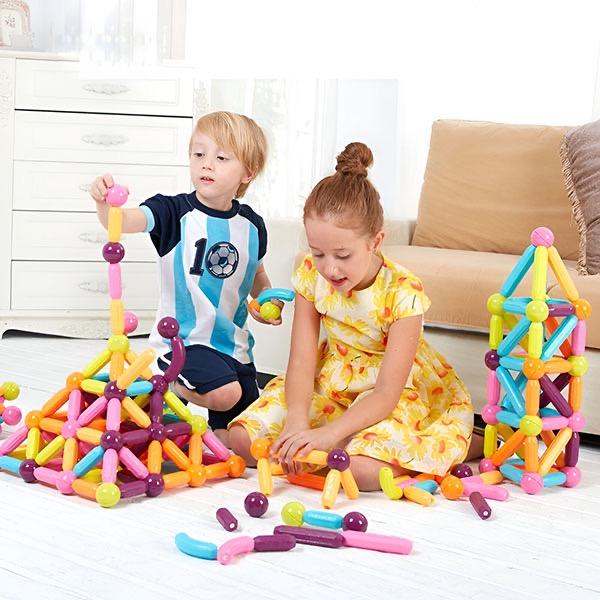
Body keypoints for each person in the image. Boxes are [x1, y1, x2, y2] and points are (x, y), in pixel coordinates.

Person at [230, 141, 482, 491]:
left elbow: (387, 393)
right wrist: (297, 422)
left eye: (343, 255)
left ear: (375, 242)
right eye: (318, 253)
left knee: (358, 472)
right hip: (332, 381)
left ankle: (465, 441)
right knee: (244, 440)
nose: (330, 268)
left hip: (388, 394)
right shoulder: (311, 275)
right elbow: (301, 362)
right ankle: (337, 441)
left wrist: (328, 435)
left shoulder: (403, 292)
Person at [90, 111, 282, 447]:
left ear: (248, 172)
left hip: (234, 348)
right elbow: (119, 222)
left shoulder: (252, 226)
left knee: (243, 438)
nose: (207, 164)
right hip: (183, 344)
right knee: (226, 394)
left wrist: (267, 299)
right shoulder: (173, 212)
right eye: (199, 154)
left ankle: (209, 436)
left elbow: (258, 274)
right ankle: (164, 382)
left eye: (221, 158)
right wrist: (103, 203)